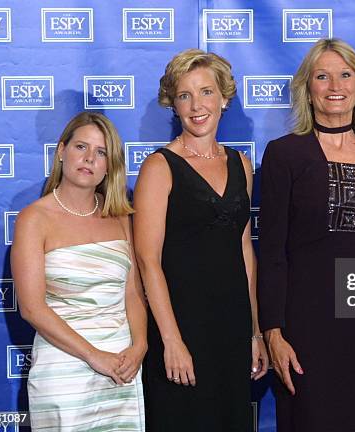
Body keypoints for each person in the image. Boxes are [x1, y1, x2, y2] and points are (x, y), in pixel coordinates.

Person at [257, 38, 355, 432]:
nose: (334, 85)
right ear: (308, 87)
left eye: (345, 75)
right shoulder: (284, 154)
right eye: (322, 76)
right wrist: (272, 331)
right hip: (305, 324)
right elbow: (271, 252)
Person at [133, 48, 268, 431]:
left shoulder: (241, 164)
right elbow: (148, 261)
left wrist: (254, 332)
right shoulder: (159, 167)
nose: (196, 105)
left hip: (231, 327)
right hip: (181, 326)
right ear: (173, 105)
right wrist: (172, 340)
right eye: (184, 95)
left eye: (206, 92)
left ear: (224, 97)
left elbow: (244, 251)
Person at [11, 112, 147, 430]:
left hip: (122, 369)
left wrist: (140, 345)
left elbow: (133, 293)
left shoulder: (121, 217)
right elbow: (32, 308)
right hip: (64, 371)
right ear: (61, 151)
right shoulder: (34, 219)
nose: (89, 158)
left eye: (100, 152)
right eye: (81, 147)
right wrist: (92, 355)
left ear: (109, 164)